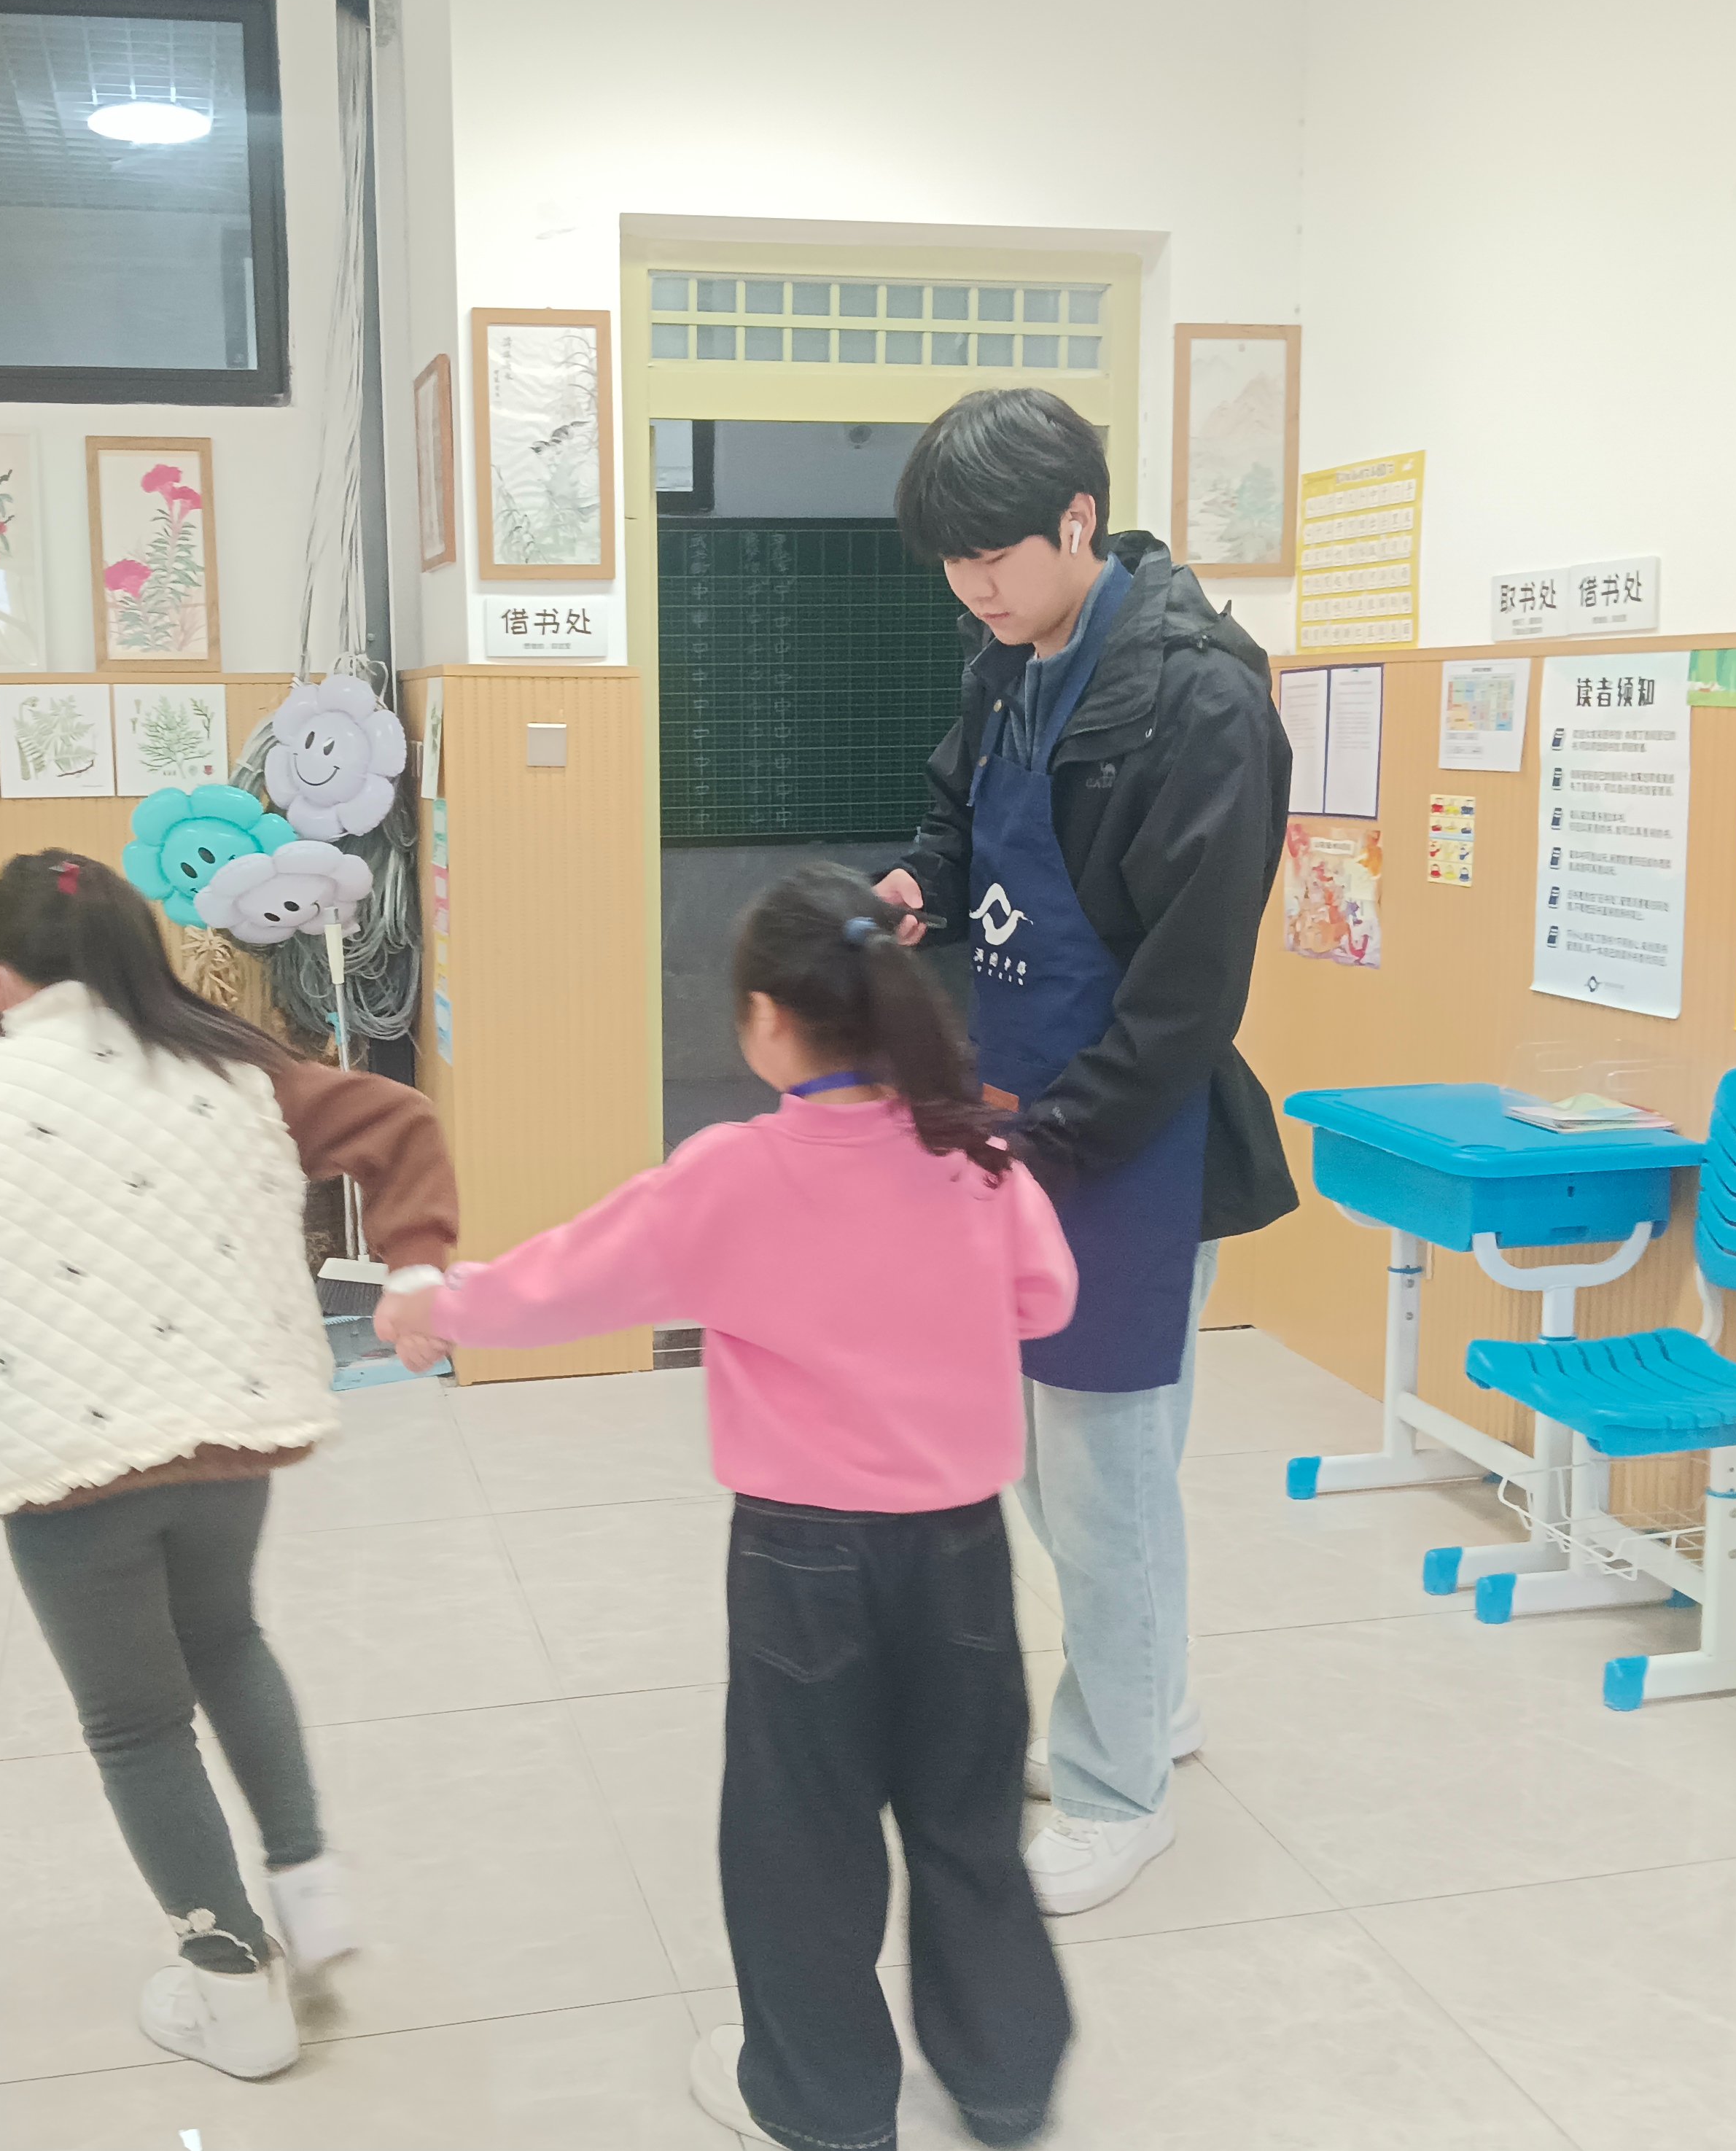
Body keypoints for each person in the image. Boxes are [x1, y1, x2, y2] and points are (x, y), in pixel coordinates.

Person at [380, 863, 1078, 2151]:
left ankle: (824, 2106)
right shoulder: (975, 1155)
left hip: (803, 1559)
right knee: (969, 1820)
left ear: (766, 1018)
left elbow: (570, 1281)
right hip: (964, 1551)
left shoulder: (732, 1174)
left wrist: (441, 1306)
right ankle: (1005, 2084)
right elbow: (1048, 1302)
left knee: (800, 1832)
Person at [0, 849, 457, 2082]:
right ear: (142, 954)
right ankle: (309, 1888)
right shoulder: (240, 1070)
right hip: (228, 1427)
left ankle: (233, 1990)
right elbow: (401, 1122)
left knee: (135, 1724)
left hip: (66, 1457)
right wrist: (415, 1263)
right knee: (228, 1641)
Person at [876, 387, 1296, 1915]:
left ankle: (1123, 1793)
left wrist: (1048, 1149)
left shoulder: (1201, 700)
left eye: (995, 555)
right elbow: (964, 816)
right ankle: (1151, 1705)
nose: (974, 587)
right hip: (1017, 1118)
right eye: (952, 563)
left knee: (1106, 1480)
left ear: (1080, 519)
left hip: (1122, 1140)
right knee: (1055, 1478)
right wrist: (922, 885)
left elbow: (1189, 992)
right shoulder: (1012, 659)